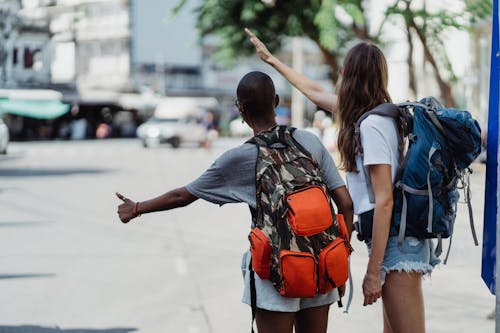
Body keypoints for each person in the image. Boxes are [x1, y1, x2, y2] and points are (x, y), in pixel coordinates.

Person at [116, 71, 354, 333]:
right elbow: (345, 203)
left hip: (277, 272)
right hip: (322, 264)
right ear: (276, 101)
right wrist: (339, 262)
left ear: (240, 109)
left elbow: (183, 195)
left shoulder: (241, 157)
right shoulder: (308, 141)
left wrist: (137, 208)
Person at [246, 28, 440, 333]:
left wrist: (373, 272)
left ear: (349, 76)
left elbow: (384, 200)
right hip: (391, 239)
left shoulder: (374, 126)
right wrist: (271, 60)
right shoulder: (368, 116)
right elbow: (313, 90)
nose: (337, 75)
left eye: (343, 69)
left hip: (397, 243)